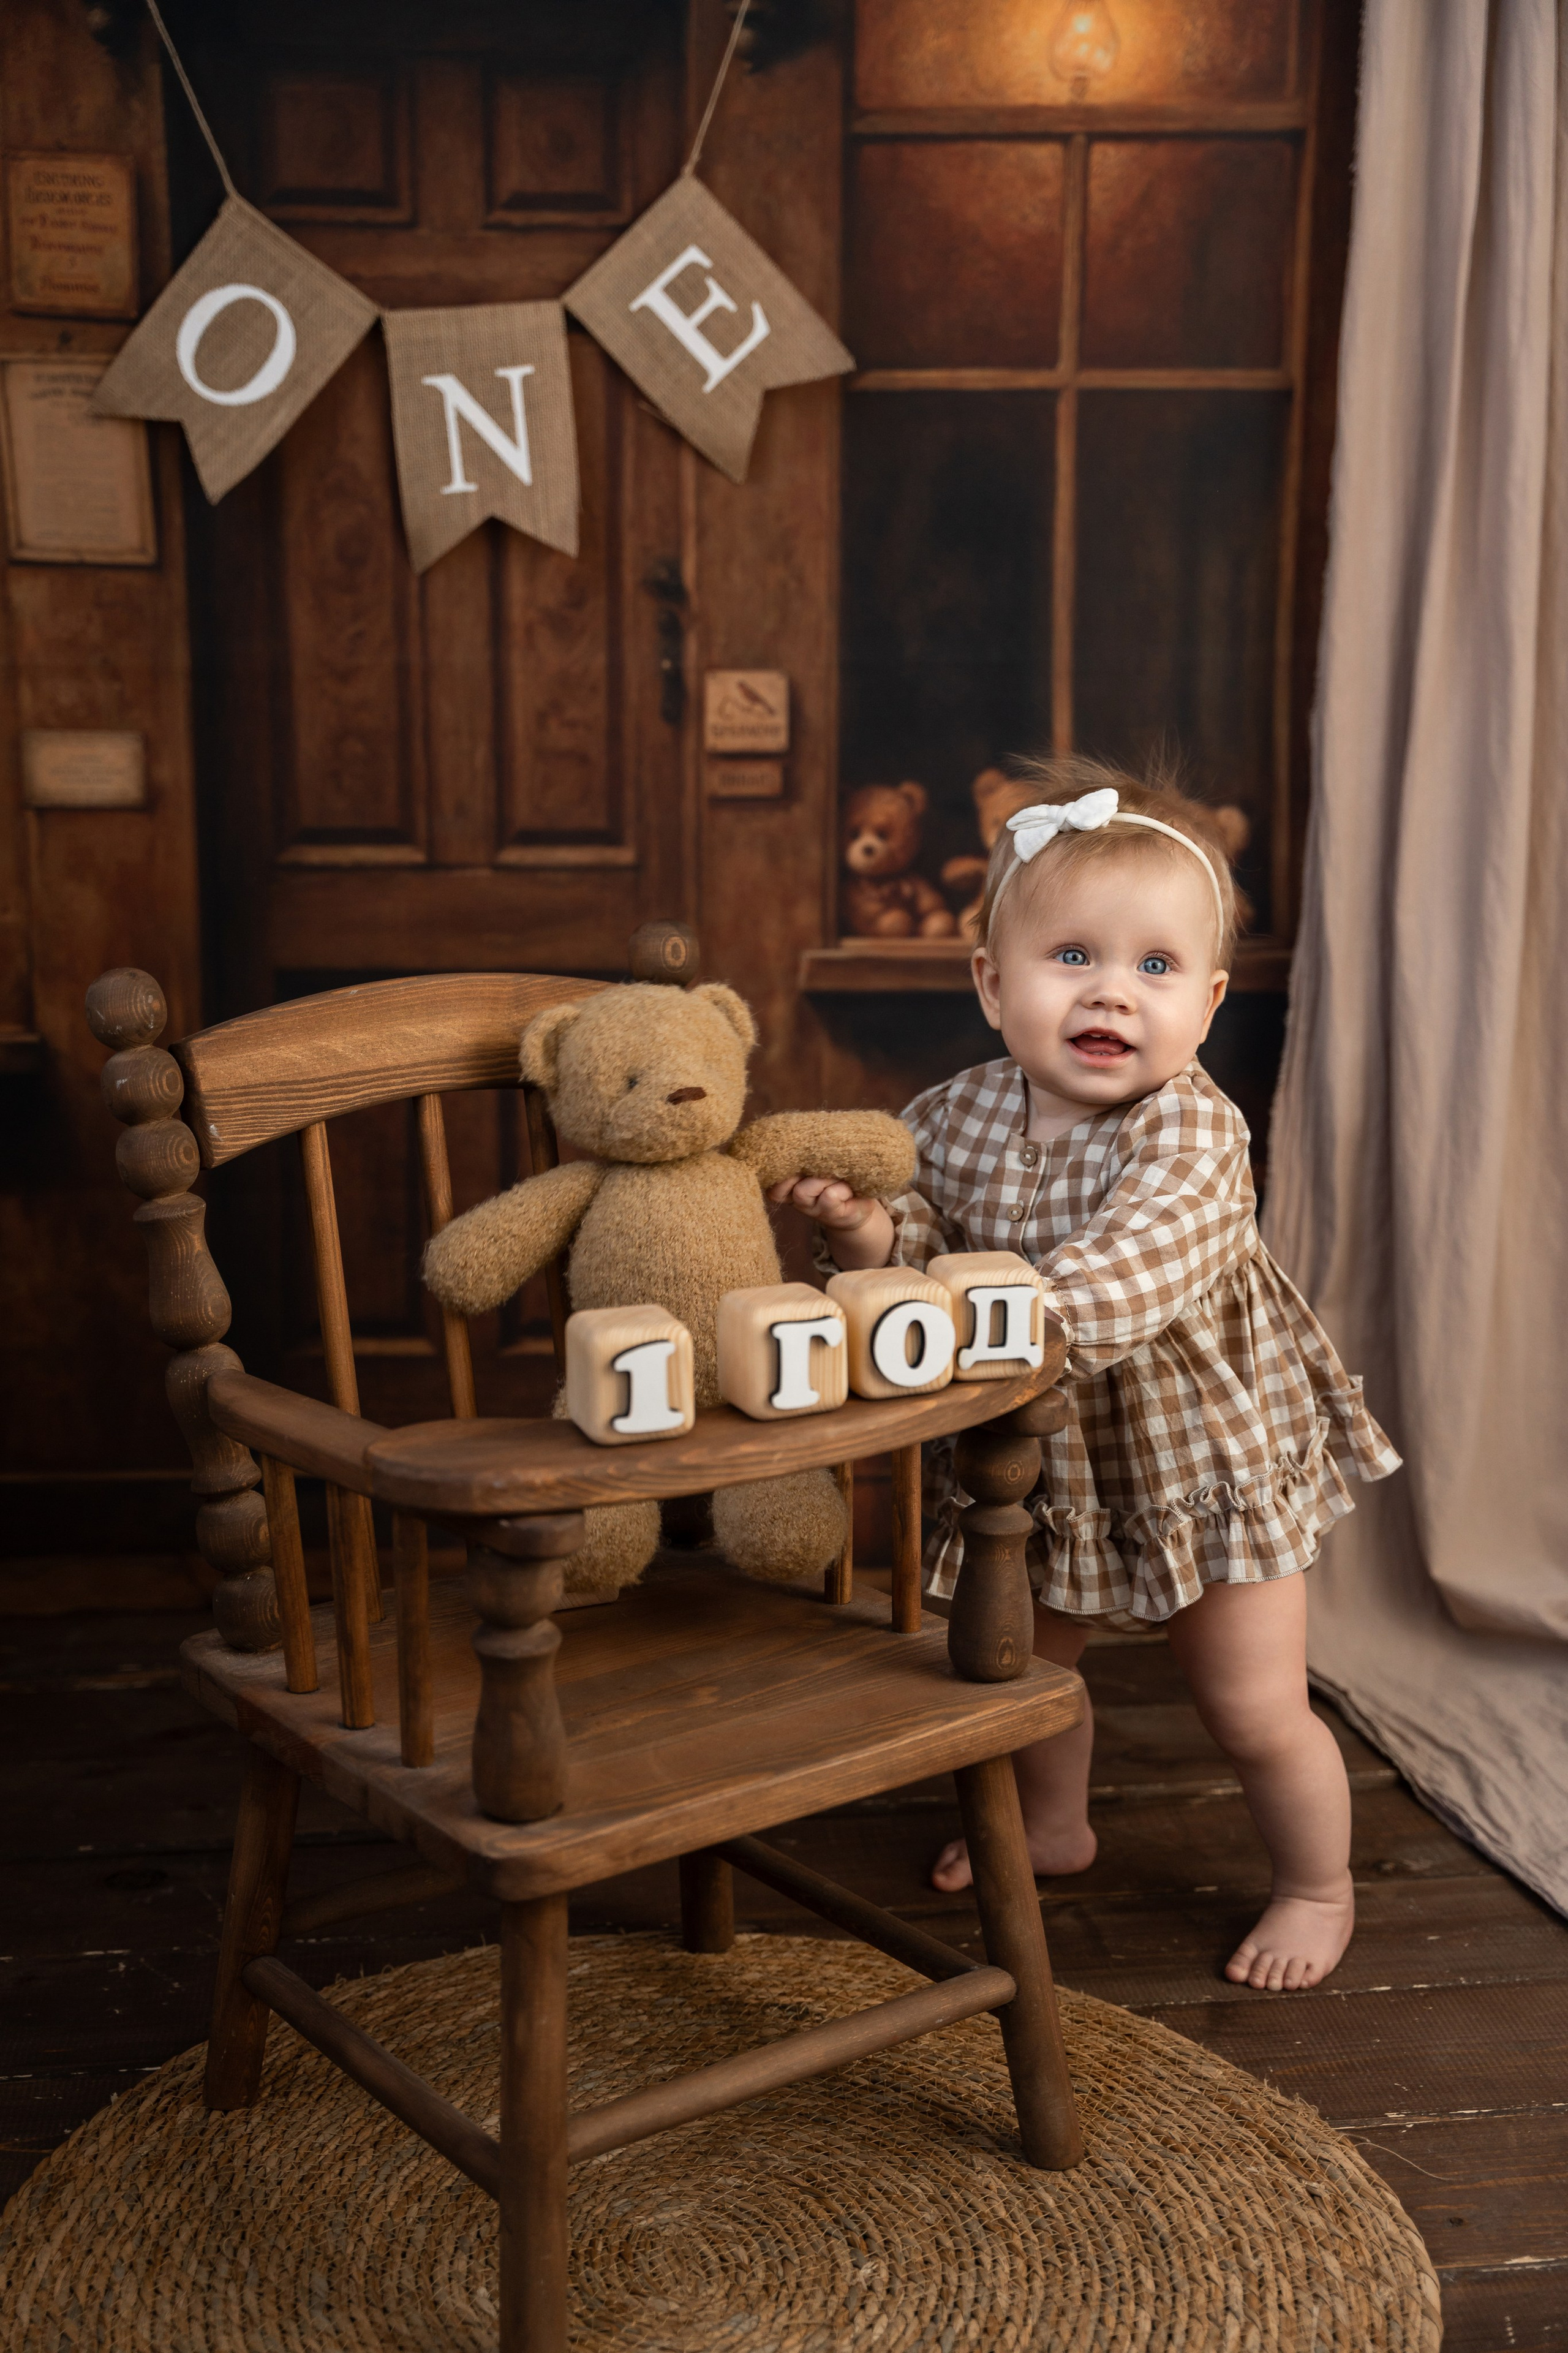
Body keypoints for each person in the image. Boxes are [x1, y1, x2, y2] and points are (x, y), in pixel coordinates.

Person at [772, 755, 1400, 1993]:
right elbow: (920, 1242)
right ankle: (1053, 1827)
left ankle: (1314, 1884)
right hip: (1036, 1460)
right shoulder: (950, 1115)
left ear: (1208, 1003)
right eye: (1072, 958)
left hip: (1199, 1459)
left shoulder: (1192, 1129)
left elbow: (1129, 1278)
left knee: (1252, 1705)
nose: (1112, 992)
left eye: (1154, 968)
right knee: (1023, 1668)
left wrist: (975, 1313)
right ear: (991, 983)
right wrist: (861, 1234)